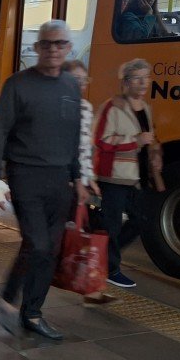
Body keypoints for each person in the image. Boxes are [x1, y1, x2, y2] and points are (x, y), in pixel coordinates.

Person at [0, 20, 88, 340]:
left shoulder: (71, 85)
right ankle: (13, 299)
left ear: (68, 48)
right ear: (37, 48)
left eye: (60, 44)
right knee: (38, 244)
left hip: (60, 180)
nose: (53, 50)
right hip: (25, 174)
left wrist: (78, 177)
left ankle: (31, 312)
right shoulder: (18, 84)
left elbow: (73, 136)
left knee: (49, 249)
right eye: (47, 44)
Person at [93, 58, 163, 288]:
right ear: (126, 82)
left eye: (147, 77)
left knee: (142, 219)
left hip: (137, 176)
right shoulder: (112, 107)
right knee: (112, 223)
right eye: (138, 78)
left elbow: (150, 138)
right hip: (113, 174)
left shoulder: (147, 109)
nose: (144, 83)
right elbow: (102, 140)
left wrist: (155, 152)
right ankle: (110, 268)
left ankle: (103, 257)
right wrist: (134, 141)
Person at [61, 60, 116, 306]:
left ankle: (92, 289)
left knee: (85, 234)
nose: (81, 85)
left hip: (78, 182)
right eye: (76, 79)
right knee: (58, 239)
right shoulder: (56, 106)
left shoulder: (85, 107)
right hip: (62, 182)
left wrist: (89, 178)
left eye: (84, 80)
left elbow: (84, 148)